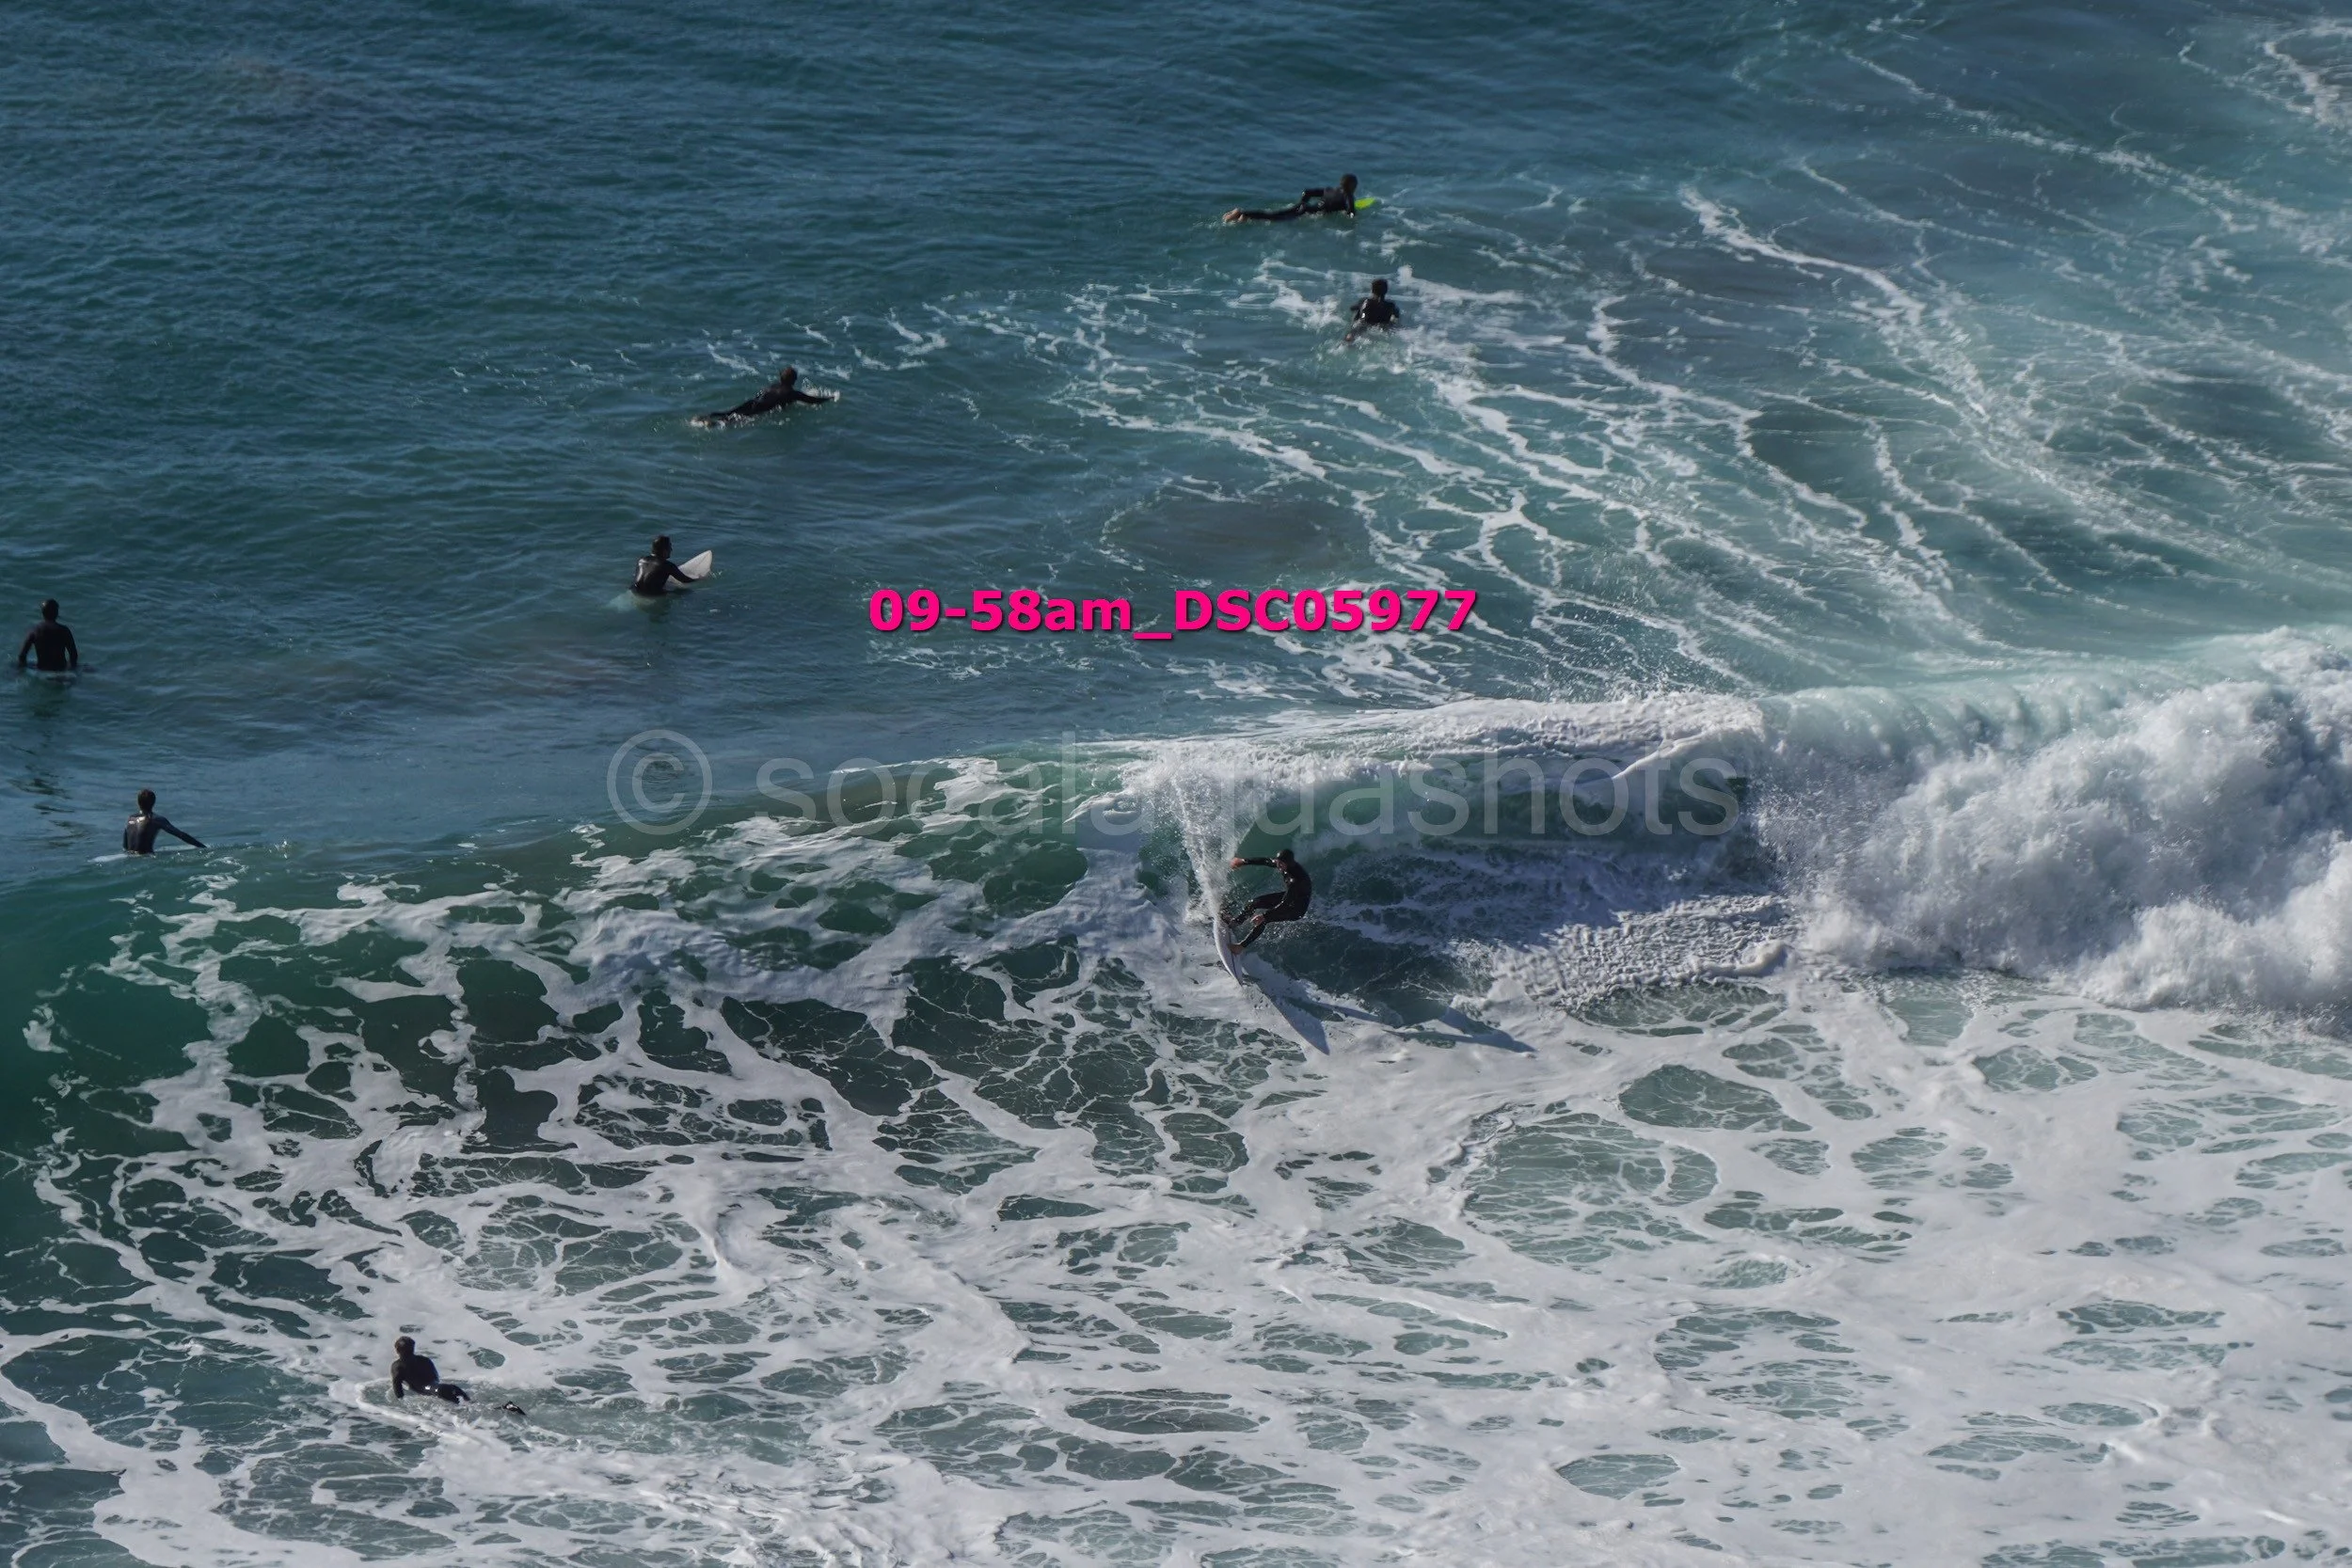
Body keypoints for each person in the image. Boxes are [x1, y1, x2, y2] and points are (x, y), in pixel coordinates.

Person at [1226, 847, 1312, 950]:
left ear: (1288, 863)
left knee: (1264, 920)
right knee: (1255, 902)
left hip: (1296, 909)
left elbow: (1286, 903)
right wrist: (1243, 861)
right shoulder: (1282, 864)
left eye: (1281, 864)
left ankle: (1240, 947)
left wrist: (1264, 915)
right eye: (1278, 862)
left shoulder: (1295, 880)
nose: (1278, 866)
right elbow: (1265, 861)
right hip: (1290, 896)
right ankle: (1236, 922)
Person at [693, 365, 834, 427]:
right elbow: (813, 401)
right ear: (794, 380)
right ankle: (711, 424)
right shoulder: (791, 393)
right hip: (761, 409)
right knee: (734, 421)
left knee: (729, 412)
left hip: (752, 401)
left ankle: (705, 416)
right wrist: (832, 398)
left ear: (780, 378)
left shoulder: (773, 385)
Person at [1225, 173, 1359, 224]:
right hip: (1307, 212)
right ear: (1352, 186)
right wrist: (1349, 217)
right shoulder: (1348, 196)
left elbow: (1307, 192)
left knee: (1272, 214)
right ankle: (1242, 213)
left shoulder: (1330, 190)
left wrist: (1301, 204)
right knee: (1274, 218)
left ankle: (1244, 214)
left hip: (1303, 208)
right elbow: (1352, 213)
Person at [390, 1336, 469, 1405]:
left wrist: (400, 1403)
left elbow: (398, 1389)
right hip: (449, 1387)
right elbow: (435, 1378)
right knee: (469, 1405)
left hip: (437, 1392)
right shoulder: (425, 1360)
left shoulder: (397, 1366)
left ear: (397, 1350)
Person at [123, 790, 204, 855]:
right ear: (153, 803)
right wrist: (203, 847)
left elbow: (125, 847)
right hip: (147, 857)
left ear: (138, 802)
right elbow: (180, 835)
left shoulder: (130, 819)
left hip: (131, 857)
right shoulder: (155, 819)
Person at [17, 599, 77, 673]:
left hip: (41, 668)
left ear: (43, 613)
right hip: (60, 669)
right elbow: (73, 655)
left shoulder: (35, 630)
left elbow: (22, 655)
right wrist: (70, 669)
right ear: (57, 613)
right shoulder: (64, 631)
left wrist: (22, 668)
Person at [631, 535, 701, 596]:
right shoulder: (668, 566)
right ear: (664, 550)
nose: (671, 549)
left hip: (635, 590)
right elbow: (685, 580)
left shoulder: (641, 560)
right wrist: (700, 579)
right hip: (652, 595)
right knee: (686, 592)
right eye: (669, 547)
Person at [1345, 278, 1401, 342]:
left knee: (1353, 330)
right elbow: (1397, 316)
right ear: (1386, 291)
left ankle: (1348, 341)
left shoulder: (1365, 302)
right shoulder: (1391, 305)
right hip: (1383, 326)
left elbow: (1352, 308)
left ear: (1372, 290)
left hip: (1365, 324)